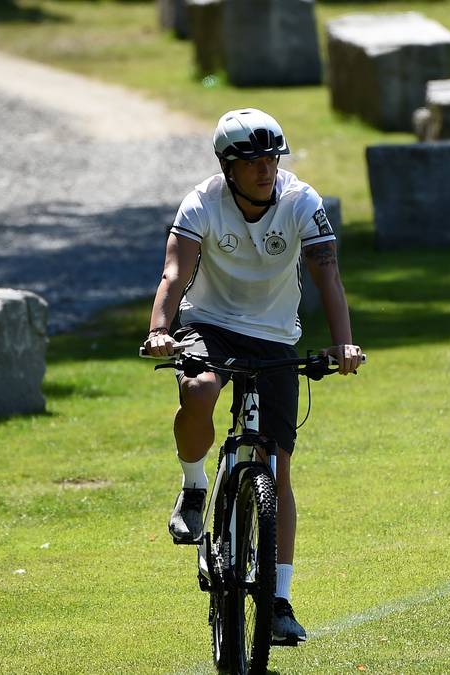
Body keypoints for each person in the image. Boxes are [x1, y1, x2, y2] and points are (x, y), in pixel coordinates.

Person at [142, 108, 363, 645]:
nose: (265, 169)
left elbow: (327, 273)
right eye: (252, 160)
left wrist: (343, 342)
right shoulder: (201, 202)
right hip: (210, 325)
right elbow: (175, 272)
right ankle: (195, 490)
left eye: (271, 158)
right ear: (227, 165)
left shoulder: (301, 202)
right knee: (197, 389)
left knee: (277, 469)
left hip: (275, 336)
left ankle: (280, 599)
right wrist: (159, 329)